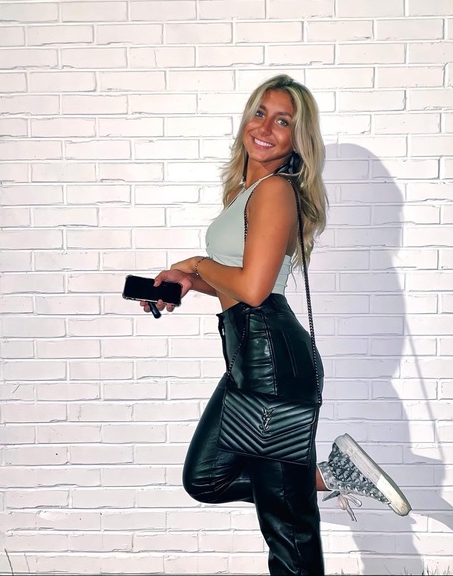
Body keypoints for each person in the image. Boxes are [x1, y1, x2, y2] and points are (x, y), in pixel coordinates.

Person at [140, 74, 411, 575]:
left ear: (297, 138)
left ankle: (317, 482)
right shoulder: (247, 191)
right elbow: (240, 281)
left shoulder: (275, 192)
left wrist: (197, 263)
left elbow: (254, 289)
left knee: (287, 526)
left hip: (271, 363)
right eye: (259, 113)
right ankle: (330, 476)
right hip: (250, 357)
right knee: (207, 478)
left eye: (282, 121)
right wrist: (187, 282)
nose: (265, 128)